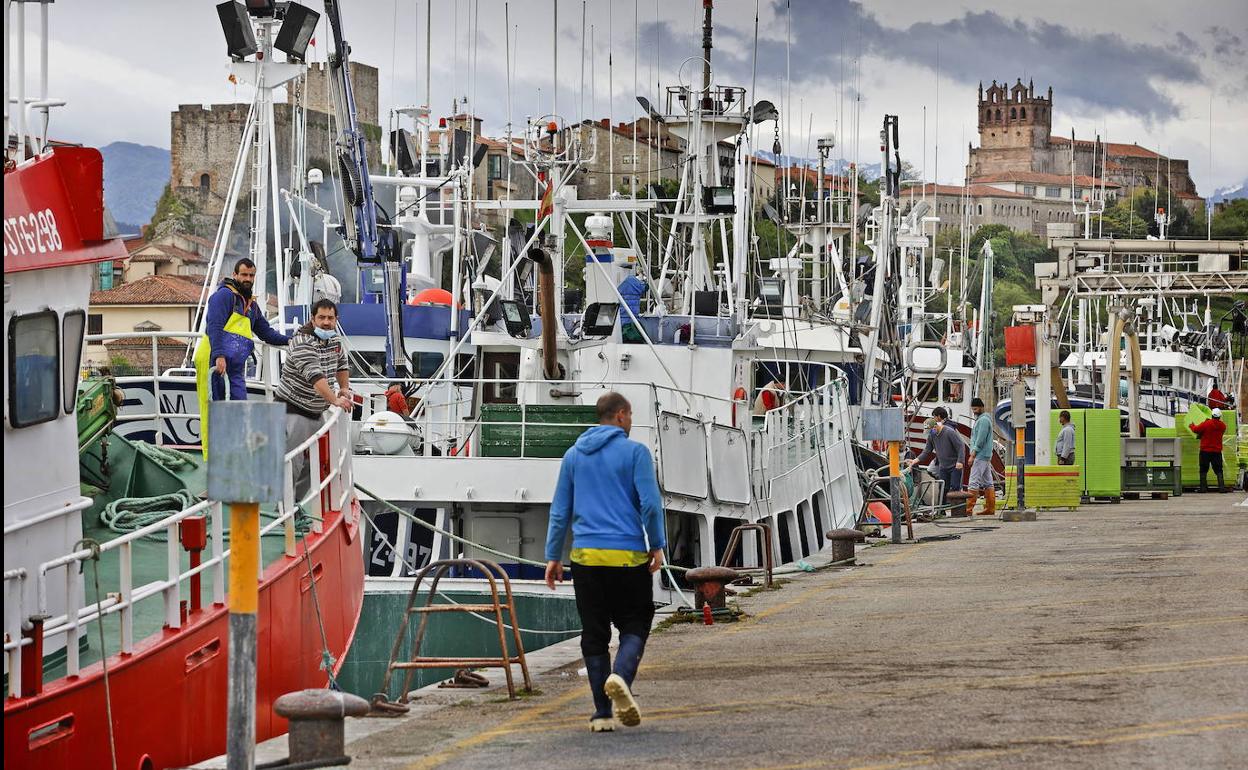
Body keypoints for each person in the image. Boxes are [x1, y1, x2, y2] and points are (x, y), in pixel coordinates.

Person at [544, 392, 666, 733]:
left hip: (585, 559)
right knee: (635, 623)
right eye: (629, 416)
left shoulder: (572, 456)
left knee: (594, 635)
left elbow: (559, 512)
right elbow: (651, 506)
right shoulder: (636, 453)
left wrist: (553, 556)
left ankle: (602, 715)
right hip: (627, 558)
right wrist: (656, 545)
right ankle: (621, 677)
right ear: (621, 415)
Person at [194, 258, 289, 454]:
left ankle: (234, 455)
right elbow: (214, 326)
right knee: (214, 411)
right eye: (244, 274)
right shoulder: (224, 296)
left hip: (235, 367)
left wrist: (291, 340)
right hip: (214, 359)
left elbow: (266, 333)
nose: (247, 279)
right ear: (235, 275)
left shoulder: (251, 306)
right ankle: (212, 458)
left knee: (239, 409)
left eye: (251, 275)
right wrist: (219, 355)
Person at [275, 299, 353, 500]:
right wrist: (335, 400)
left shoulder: (334, 341)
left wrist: (344, 388)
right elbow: (315, 377)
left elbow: (342, 365)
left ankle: (294, 502)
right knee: (294, 461)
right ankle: (283, 510)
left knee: (316, 462)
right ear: (312, 319)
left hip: (315, 411)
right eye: (322, 318)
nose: (326, 322)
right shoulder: (302, 342)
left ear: (336, 320)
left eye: (330, 318)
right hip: (294, 408)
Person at [905, 407, 965, 502]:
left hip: (955, 466)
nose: (930, 434)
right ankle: (942, 510)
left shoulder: (949, 432)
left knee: (955, 488)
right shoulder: (931, 436)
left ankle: (957, 509)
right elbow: (926, 451)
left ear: (935, 426)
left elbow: (961, 446)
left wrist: (960, 461)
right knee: (943, 488)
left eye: (930, 431)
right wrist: (914, 461)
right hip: (943, 466)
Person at [965, 397, 996, 516]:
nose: (974, 411)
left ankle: (968, 510)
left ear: (982, 407)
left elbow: (980, 440)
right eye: (973, 409)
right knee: (988, 482)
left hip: (980, 455)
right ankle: (990, 508)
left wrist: (973, 454)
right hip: (985, 456)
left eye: (976, 408)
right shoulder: (984, 419)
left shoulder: (983, 421)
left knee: (973, 482)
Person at [1190, 408, 1228, 493]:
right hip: (1217, 451)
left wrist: (1191, 425)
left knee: (1203, 469)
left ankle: (1203, 488)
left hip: (1205, 451)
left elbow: (1196, 430)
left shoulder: (1207, 424)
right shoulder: (1223, 426)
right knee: (1218, 469)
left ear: (1212, 415)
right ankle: (1221, 488)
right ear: (1220, 416)